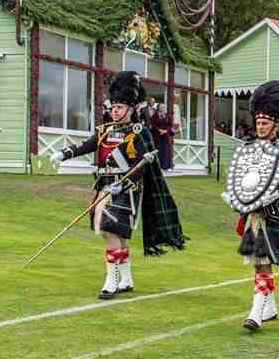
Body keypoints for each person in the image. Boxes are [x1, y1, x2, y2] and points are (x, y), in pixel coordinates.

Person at [50, 72, 186, 299]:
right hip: (103, 187)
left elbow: (143, 165)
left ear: (131, 109)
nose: (115, 111)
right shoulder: (105, 131)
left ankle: (110, 281)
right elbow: (87, 146)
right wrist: (63, 154)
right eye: (113, 106)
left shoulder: (138, 132)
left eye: (120, 107)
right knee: (116, 235)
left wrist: (124, 184)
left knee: (108, 229)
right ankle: (126, 279)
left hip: (127, 189)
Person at [222, 79, 279, 331]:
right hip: (253, 215)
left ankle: (255, 312)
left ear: (277, 123)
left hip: (276, 216)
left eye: (265, 123)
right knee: (259, 261)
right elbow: (240, 180)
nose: (260, 126)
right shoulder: (248, 148)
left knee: (262, 261)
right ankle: (269, 305)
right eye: (258, 122)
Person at [151, 103, 173, 171]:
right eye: (161, 107)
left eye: (163, 107)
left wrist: (166, 131)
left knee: (166, 151)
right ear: (158, 108)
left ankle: (167, 166)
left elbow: (170, 125)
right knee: (158, 151)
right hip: (158, 136)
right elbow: (153, 125)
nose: (163, 108)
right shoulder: (154, 115)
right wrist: (159, 130)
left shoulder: (167, 115)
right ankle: (158, 166)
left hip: (166, 136)